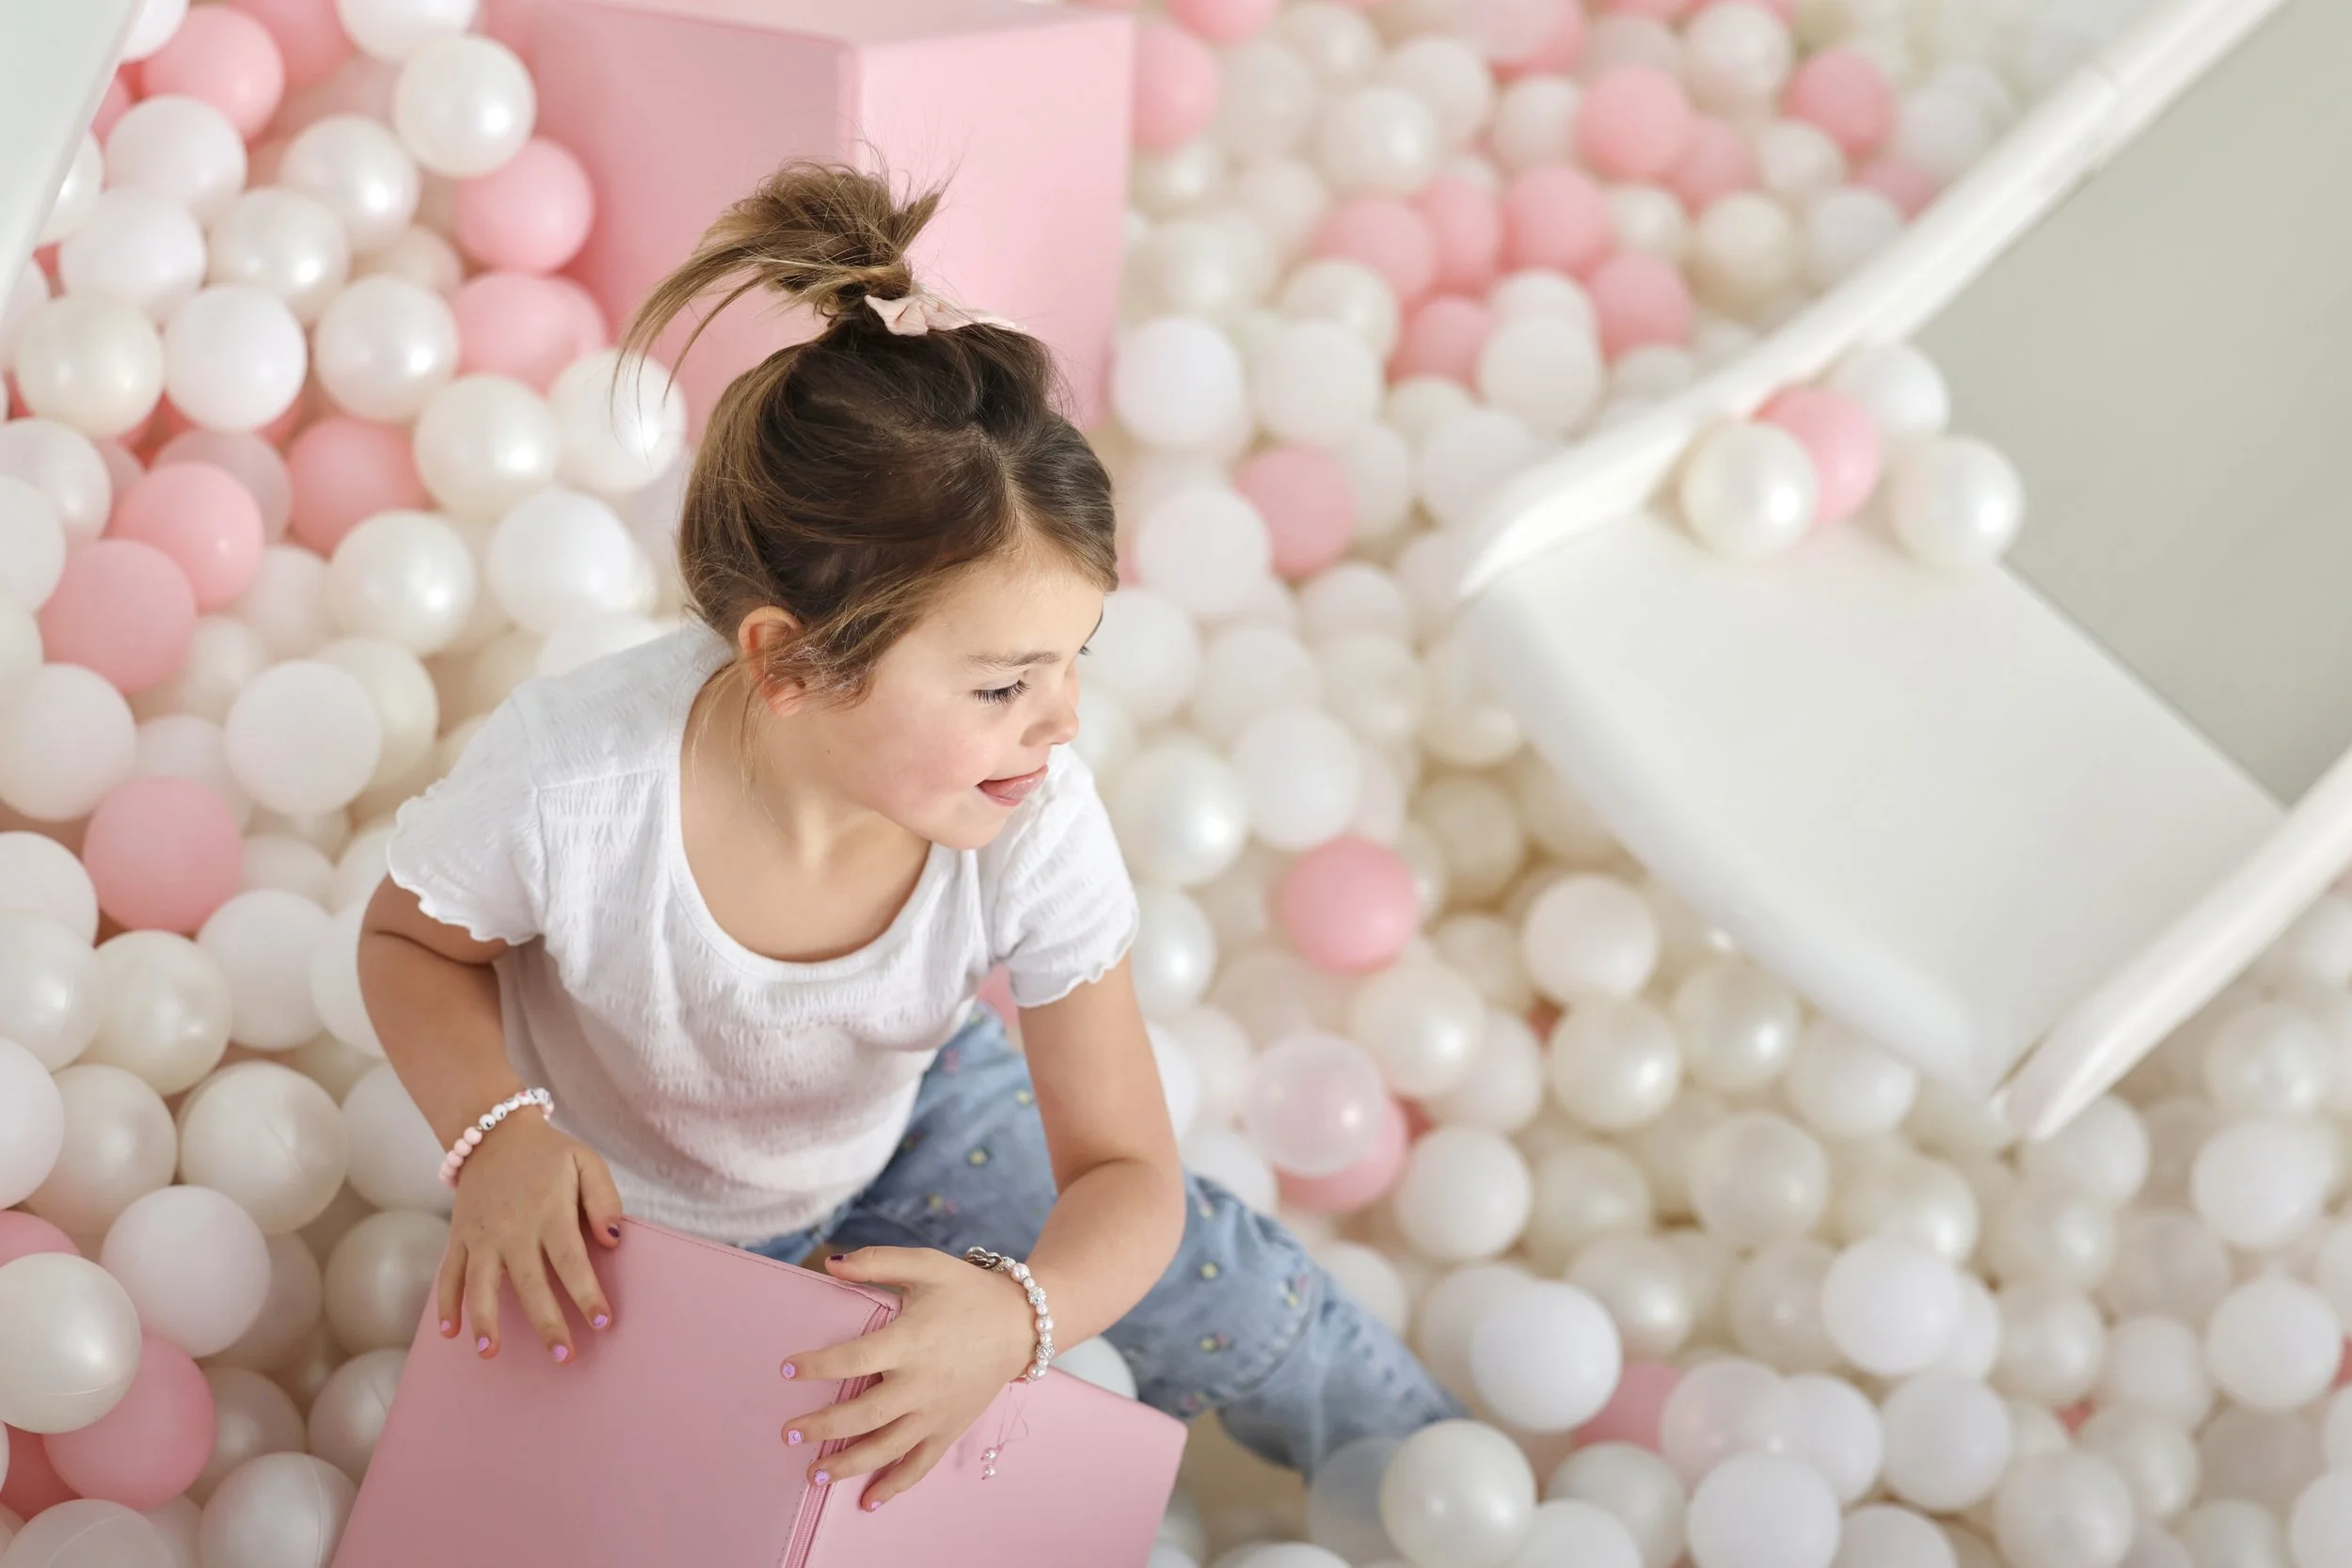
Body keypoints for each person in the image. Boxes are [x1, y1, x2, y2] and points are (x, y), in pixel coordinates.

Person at [358, 159, 1465, 1513]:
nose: (1058, 722)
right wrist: (499, 1136)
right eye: (1003, 685)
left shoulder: (1029, 814)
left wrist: (1019, 1318)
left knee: (1227, 1281)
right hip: (627, 1212)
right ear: (791, 663)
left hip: (913, 1126)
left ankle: (1446, 1487)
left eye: (1073, 662)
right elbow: (412, 939)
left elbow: (1130, 1173)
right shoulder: (578, 779)